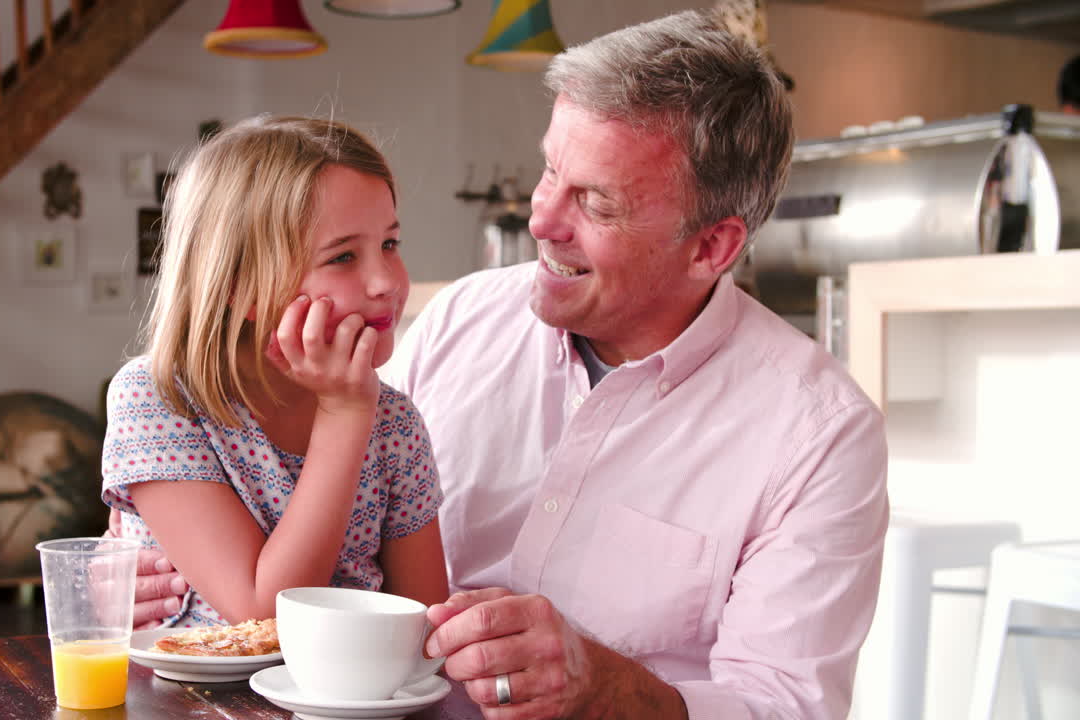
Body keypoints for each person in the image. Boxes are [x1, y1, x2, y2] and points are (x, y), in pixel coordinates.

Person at [129, 10, 888, 719]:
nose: (541, 220)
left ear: (711, 247)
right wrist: (149, 557)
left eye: (595, 204)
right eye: (551, 172)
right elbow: (321, 542)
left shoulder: (815, 433)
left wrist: (605, 685)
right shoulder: (465, 318)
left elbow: (786, 706)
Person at [101, 115, 449, 628]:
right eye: (344, 256)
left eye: (389, 245)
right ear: (240, 287)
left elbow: (426, 629)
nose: (386, 282)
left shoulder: (394, 423)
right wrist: (344, 415)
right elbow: (266, 617)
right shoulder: (158, 400)